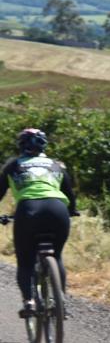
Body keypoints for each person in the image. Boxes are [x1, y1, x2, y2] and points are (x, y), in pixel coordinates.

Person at [0, 128, 78, 318]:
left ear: (20, 145)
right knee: (57, 256)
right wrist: (72, 211)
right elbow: (70, 195)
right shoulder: (56, 165)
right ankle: (59, 300)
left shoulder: (12, 165)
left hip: (28, 210)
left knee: (25, 262)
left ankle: (29, 302)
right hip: (57, 209)